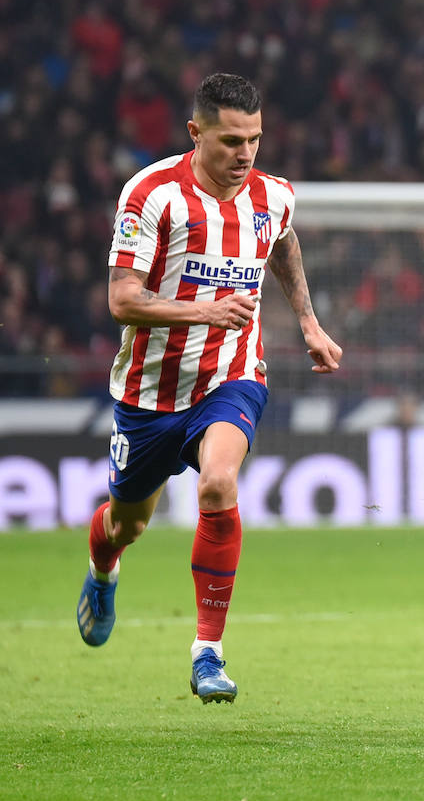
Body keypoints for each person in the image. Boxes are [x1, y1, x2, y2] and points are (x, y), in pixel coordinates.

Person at [76, 73, 342, 702]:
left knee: (219, 483)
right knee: (126, 525)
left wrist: (306, 319)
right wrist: (204, 311)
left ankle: (207, 653)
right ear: (196, 133)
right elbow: (121, 300)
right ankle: (102, 568)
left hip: (231, 376)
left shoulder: (272, 196)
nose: (244, 154)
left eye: (253, 139)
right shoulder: (151, 195)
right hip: (149, 395)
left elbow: (283, 243)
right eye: (229, 141)